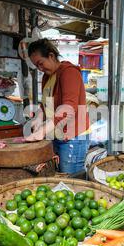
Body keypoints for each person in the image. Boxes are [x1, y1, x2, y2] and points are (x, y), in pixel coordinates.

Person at [25, 39, 90, 174]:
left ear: (51, 56)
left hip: (73, 137)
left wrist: (42, 131)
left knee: (70, 179)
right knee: (59, 176)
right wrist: (38, 118)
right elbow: (46, 104)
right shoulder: (47, 77)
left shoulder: (69, 73)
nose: (40, 69)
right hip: (56, 134)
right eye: (37, 66)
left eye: (41, 63)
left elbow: (68, 108)